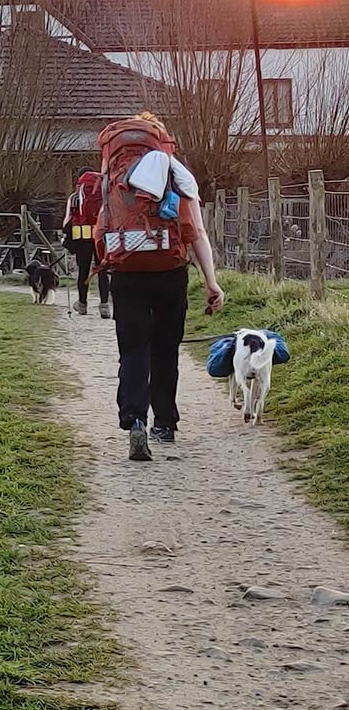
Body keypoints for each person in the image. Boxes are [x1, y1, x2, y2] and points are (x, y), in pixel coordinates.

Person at [92, 113, 223, 462]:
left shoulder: (113, 176)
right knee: (166, 348)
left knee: (133, 349)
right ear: (163, 141)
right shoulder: (175, 173)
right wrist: (211, 283)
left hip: (126, 271)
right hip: (170, 271)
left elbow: (100, 228)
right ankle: (164, 422)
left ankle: (134, 419)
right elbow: (197, 232)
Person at [62, 168, 111, 317]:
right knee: (102, 271)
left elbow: (68, 219)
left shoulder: (75, 196)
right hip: (101, 237)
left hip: (81, 237)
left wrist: (67, 238)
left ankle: (82, 304)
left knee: (83, 271)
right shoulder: (105, 194)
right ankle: (104, 306)